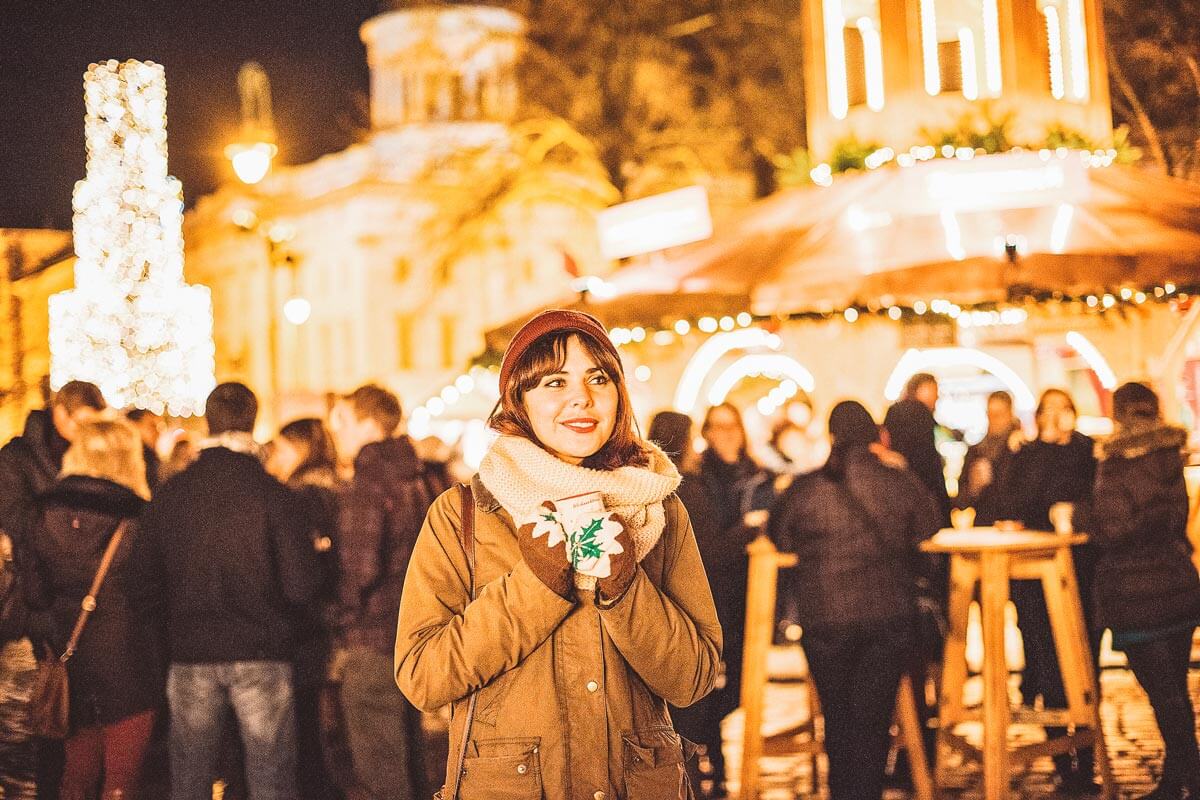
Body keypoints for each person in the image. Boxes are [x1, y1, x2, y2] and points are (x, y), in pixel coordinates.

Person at [395, 310, 721, 800]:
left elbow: (693, 678)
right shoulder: (463, 513)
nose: (581, 397)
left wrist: (625, 588)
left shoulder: (660, 508)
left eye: (598, 377)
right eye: (553, 381)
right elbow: (423, 676)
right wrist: (536, 587)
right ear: (518, 400)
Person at [128, 382, 319, 800]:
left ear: (209, 420)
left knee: (191, 777)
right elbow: (301, 585)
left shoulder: (171, 495)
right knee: (271, 778)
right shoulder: (273, 495)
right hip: (262, 650)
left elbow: (142, 581)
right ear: (252, 420)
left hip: (191, 652)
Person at [769, 401, 941, 800]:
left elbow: (780, 535)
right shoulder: (898, 481)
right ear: (874, 435)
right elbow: (929, 533)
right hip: (886, 617)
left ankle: (842, 792)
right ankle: (865, 792)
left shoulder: (807, 487)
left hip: (824, 619)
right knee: (873, 719)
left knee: (838, 717)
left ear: (832, 436)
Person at [21, 418, 159, 800]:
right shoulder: (138, 519)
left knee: (75, 778)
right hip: (129, 666)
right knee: (121, 783)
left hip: (69, 660)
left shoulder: (42, 513)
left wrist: (49, 633)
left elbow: (31, 594)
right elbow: (152, 597)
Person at [330, 385, 450, 800]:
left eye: (342, 422)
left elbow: (359, 571)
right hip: (412, 630)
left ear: (368, 424)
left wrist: (341, 620)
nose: (336, 433)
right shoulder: (417, 475)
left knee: (379, 763)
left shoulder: (370, 481)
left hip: (373, 637)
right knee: (410, 755)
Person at [1090, 382, 1200, 800]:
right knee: (1174, 689)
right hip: (1177, 583)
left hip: (1135, 591)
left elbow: (1112, 526)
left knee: (1164, 694)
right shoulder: (1171, 457)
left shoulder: (1115, 462)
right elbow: (1173, 519)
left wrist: (1080, 515)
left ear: (1119, 413)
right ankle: (1176, 779)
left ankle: (1191, 773)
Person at [0, 380, 106, 800]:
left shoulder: (87, 449)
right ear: (60, 414)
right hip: (44, 592)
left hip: (92, 592)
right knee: (56, 691)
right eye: (81, 421)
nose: (86, 431)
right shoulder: (18, 458)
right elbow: (16, 519)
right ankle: (53, 783)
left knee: (90, 696)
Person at [662, 403, 772, 798]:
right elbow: (710, 547)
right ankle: (706, 757)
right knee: (706, 690)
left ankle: (707, 754)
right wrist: (748, 529)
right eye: (715, 427)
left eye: (732, 426)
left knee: (723, 688)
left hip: (738, 596)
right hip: (709, 600)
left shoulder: (757, 475)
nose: (724, 434)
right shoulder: (693, 481)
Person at [997, 387, 1100, 794]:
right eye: (1049, 410)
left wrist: (1064, 446)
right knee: (1046, 664)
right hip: (1036, 580)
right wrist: (1041, 448)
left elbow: (1086, 496)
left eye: (1065, 408)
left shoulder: (1087, 452)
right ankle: (1061, 757)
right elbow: (1016, 502)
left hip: (1081, 572)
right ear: (1037, 416)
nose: (1056, 417)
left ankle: (1088, 754)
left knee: (1084, 661)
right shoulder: (1026, 455)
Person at [269, 418, 344, 800]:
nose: (274, 458)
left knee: (303, 729)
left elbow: (301, 570)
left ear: (299, 449)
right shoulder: (336, 488)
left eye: (280, 449)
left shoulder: (300, 496)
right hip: (326, 622)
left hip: (304, 626)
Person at [883, 373, 951, 523]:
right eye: (934, 390)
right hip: (924, 501)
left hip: (899, 500)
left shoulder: (894, 412)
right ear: (919, 389)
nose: (937, 397)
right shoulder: (919, 416)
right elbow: (930, 468)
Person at [956, 391, 1021, 525]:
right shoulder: (976, 451)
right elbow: (960, 501)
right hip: (984, 527)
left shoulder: (1021, 448)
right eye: (990, 414)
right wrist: (973, 488)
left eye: (999, 414)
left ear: (1010, 414)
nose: (994, 420)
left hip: (1014, 527)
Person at [125, 409, 164, 492]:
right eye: (152, 426)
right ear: (133, 426)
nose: (158, 432)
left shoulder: (152, 458)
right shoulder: (130, 459)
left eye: (160, 428)